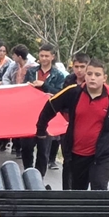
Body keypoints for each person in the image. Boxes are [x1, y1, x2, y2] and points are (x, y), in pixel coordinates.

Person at [34, 59, 109, 191]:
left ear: (104, 78)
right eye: (90, 74)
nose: (93, 78)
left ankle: (97, 212)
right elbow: (50, 106)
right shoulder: (73, 92)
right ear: (85, 76)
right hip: (76, 153)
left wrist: (104, 134)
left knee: (99, 190)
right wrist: (41, 129)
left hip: (101, 154)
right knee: (78, 192)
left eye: (97, 75)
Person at [20, 43, 67, 173]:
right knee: (27, 147)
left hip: (48, 116)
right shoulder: (31, 72)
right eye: (41, 55)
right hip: (30, 114)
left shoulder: (59, 75)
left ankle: (39, 178)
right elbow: (23, 90)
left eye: (47, 56)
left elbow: (60, 94)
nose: (44, 58)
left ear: (52, 57)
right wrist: (28, 87)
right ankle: (28, 173)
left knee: (43, 149)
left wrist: (44, 85)